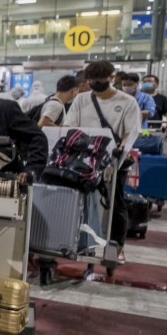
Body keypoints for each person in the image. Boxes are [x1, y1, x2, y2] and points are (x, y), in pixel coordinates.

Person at [64, 61, 141, 262]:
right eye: (92, 81)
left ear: (111, 78)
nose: (95, 84)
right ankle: (75, 242)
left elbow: (130, 132)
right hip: (84, 159)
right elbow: (70, 125)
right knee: (76, 201)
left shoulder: (127, 102)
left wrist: (120, 150)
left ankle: (116, 247)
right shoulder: (81, 100)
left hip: (115, 160)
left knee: (115, 204)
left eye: (100, 80)